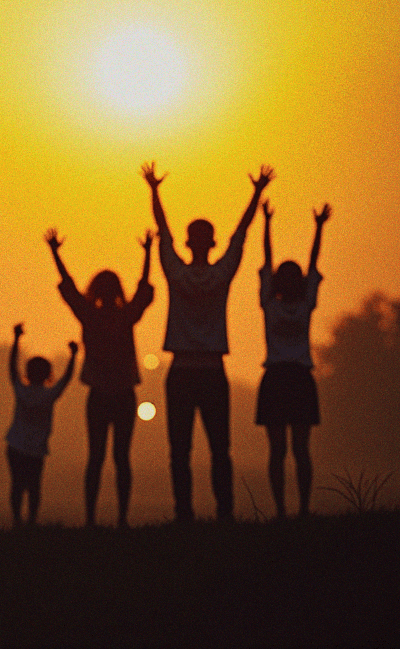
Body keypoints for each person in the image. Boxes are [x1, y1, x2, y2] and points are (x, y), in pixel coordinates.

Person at [142, 161, 274, 521]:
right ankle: (224, 513)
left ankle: (184, 514)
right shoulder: (220, 274)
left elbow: (163, 232)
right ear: (212, 243)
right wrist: (257, 192)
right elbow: (240, 236)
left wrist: (154, 190)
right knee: (220, 449)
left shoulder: (177, 273)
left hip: (183, 371)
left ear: (189, 243)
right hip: (212, 371)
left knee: (180, 450)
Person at [45, 228, 154, 528]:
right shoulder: (125, 315)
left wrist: (56, 252)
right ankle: (120, 519)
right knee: (120, 457)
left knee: (97, 457)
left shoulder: (90, 315)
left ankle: (93, 519)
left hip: (101, 395)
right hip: (121, 394)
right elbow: (144, 291)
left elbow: (69, 290)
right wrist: (148, 252)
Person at [257, 200, 331, 518]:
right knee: (279, 450)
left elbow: (314, 263)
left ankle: (301, 507)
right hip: (279, 376)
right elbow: (267, 260)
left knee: (299, 449)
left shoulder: (304, 304)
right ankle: (282, 509)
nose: (287, 281)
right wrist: (267, 223)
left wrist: (318, 228)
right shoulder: (269, 303)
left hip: (296, 377)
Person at [5, 324, 78, 527]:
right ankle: (31, 521)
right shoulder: (49, 395)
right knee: (34, 486)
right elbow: (66, 379)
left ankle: (17, 521)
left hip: (16, 445)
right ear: (48, 374)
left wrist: (16, 340)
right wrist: (73, 356)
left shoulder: (21, 391)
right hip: (36, 450)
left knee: (17, 485)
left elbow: (12, 368)